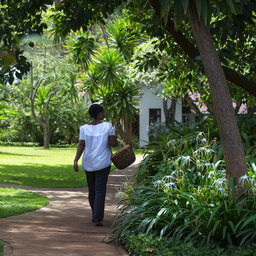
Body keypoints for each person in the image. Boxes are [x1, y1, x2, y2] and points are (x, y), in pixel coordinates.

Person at [73, 104, 117, 226]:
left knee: (92, 190)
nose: (104, 114)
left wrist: (76, 160)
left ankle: (95, 214)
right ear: (98, 113)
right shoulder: (108, 126)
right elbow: (113, 143)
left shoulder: (84, 128)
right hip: (103, 162)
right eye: (102, 112)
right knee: (100, 190)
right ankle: (97, 217)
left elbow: (81, 145)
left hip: (88, 163)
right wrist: (114, 137)